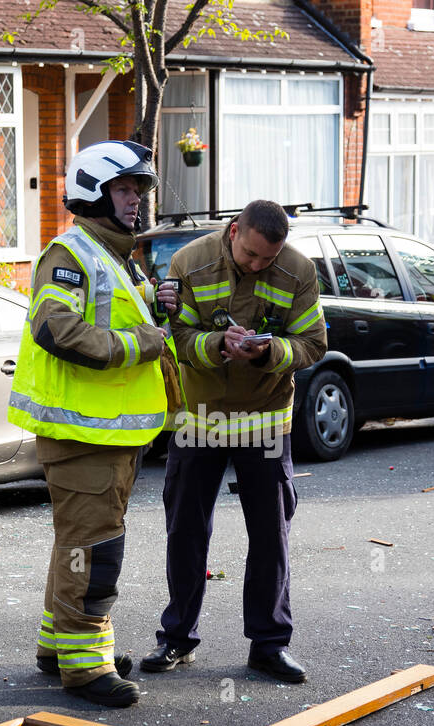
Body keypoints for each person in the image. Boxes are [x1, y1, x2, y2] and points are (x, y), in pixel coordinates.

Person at [8, 140, 175, 707]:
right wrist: (141, 344)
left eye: (139, 190)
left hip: (107, 433)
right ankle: (86, 666)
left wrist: (156, 298)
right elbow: (56, 330)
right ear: (94, 191)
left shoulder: (111, 255)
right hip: (85, 435)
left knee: (75, 544)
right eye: (126, 189)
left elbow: (111, 309)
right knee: (95, 550)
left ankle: (60, 646)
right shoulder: (71, 254)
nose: (136, 200)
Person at [142, 200, 327, 683]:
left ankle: (269, 645)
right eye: (250, 255)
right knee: (185, 530)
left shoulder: (299, 270)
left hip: (265, 422)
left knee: (270, 534)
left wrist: (270, 352)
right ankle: (177, 639)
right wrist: (217, 346)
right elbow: (176, 334)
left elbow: (313, 343)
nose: (258, 265)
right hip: (198, 419)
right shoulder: (189, 261)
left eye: (268, 258)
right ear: (232, 232)